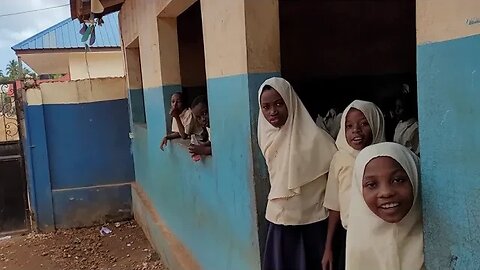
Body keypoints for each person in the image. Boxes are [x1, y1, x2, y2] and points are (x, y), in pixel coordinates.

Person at [257, 77, 337, 270]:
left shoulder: (318, 139)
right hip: (279, 221)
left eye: (279, 103)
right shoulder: (267, 137)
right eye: (266, 107)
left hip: (313, 223)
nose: (273, 111)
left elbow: (334, 189)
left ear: (291, 102)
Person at [322, 100, 385, 270]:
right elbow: (335, 205)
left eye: (364, 123)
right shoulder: (340, 158)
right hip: (350, 235)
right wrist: (328, 247)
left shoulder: (385, 158)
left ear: (376, 123)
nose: (356, 130)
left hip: (381, 233)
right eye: (349, 126)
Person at [346, 142, 424, 270]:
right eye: (372, 184)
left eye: (397, 180)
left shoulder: (444, 241)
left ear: (415, 177)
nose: (386, 192)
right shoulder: (359, 246)